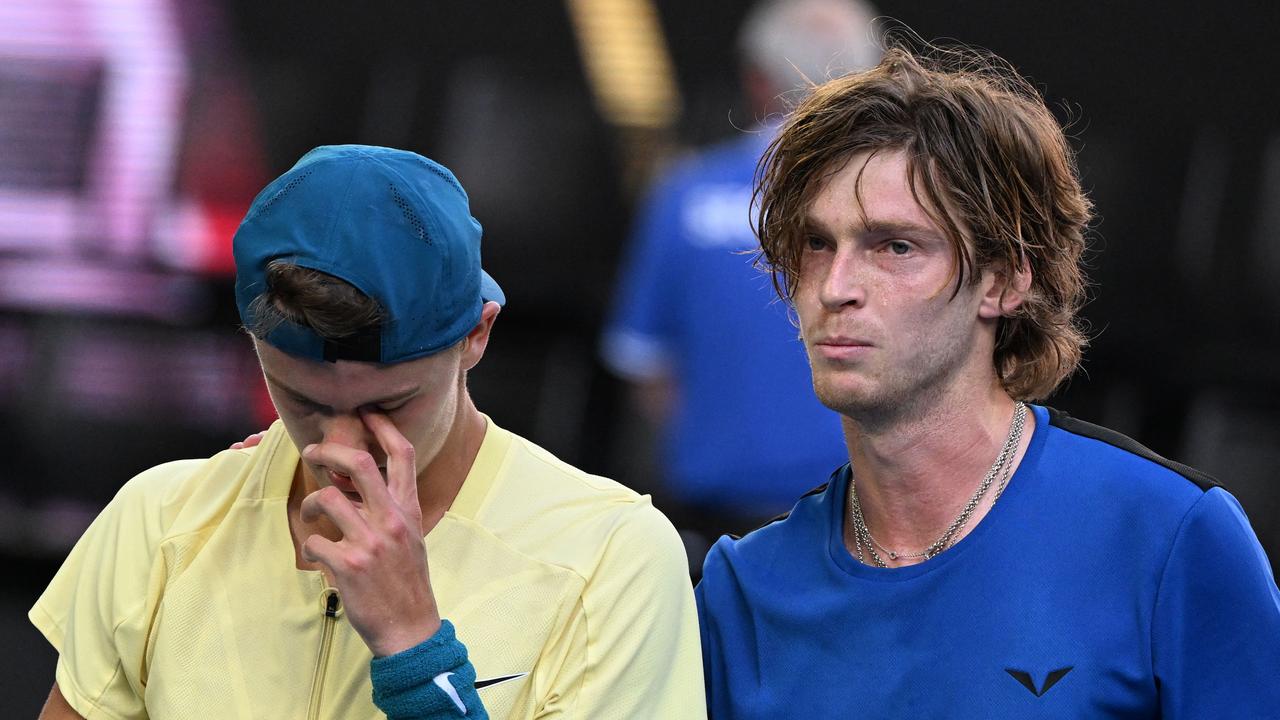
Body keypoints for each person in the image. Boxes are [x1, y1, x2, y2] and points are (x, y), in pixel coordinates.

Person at [695, 45, 1280, 718]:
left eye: (896, 246)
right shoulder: (744, 589)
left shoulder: (1169, 537)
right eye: (817, 244)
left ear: (1005, 280)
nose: (836, 287)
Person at [30, 145, 705, 719]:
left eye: (392, 404)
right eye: (300, 401)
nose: (341, 450)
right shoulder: (160, 522)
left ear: (478, 335)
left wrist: (416, 651)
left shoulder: (612, 559)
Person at [600, 0, 880, 548]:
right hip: (863, 516)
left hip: (710, 527)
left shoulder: (684, 192)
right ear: (871, 81)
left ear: (756, 78)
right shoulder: (901, 202)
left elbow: (644, 366)